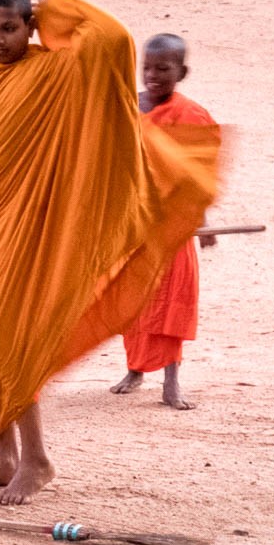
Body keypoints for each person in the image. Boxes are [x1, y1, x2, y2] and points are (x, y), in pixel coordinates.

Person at [0, 0, 219, 504]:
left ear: (29, 26)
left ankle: (35, 460)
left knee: (11, 336)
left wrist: (48, 10)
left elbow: (113, 38)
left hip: (27, 228)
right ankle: (2, 455)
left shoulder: (54, 70)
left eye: (10, 28)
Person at [110, 34, 219, 410]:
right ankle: (135, 369)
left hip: (172, 225)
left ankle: (171, 382)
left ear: (181, 72)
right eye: (147, 68)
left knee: (172, 303)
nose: (152, 76)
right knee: (132, 301)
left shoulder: (191, 116)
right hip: (132, 221)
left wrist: (201, 221)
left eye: (163, 69)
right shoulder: (130, 107)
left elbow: (197, 174)